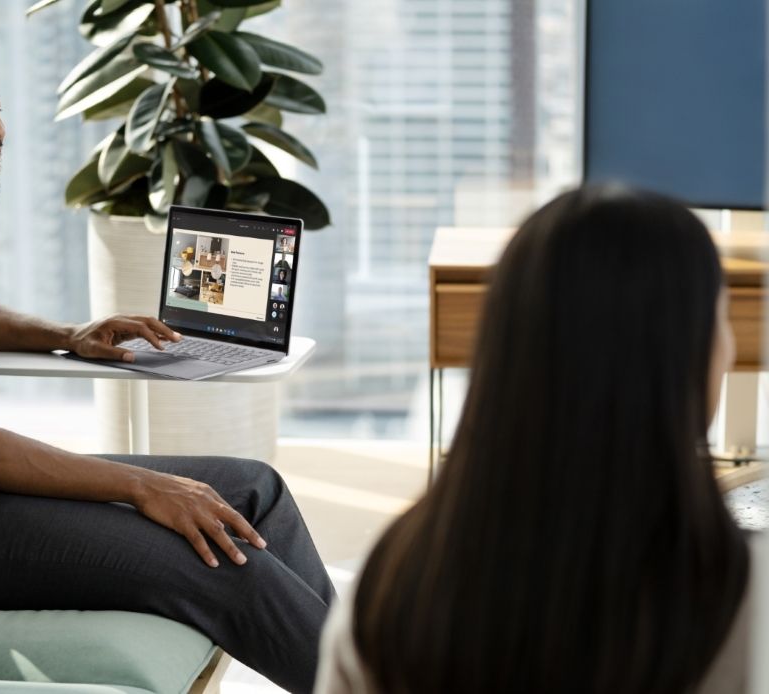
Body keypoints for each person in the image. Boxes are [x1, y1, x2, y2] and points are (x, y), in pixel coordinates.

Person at [0, 31, 333, 694]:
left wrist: (66, 334)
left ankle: (368, 670)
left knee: (255, 490)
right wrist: (141, 487)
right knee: (220, 557)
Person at [314, 186, 752, 693]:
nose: (732, 345)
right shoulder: (739, 598)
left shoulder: (390, 584)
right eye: (722, 317)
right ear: (681, 359)